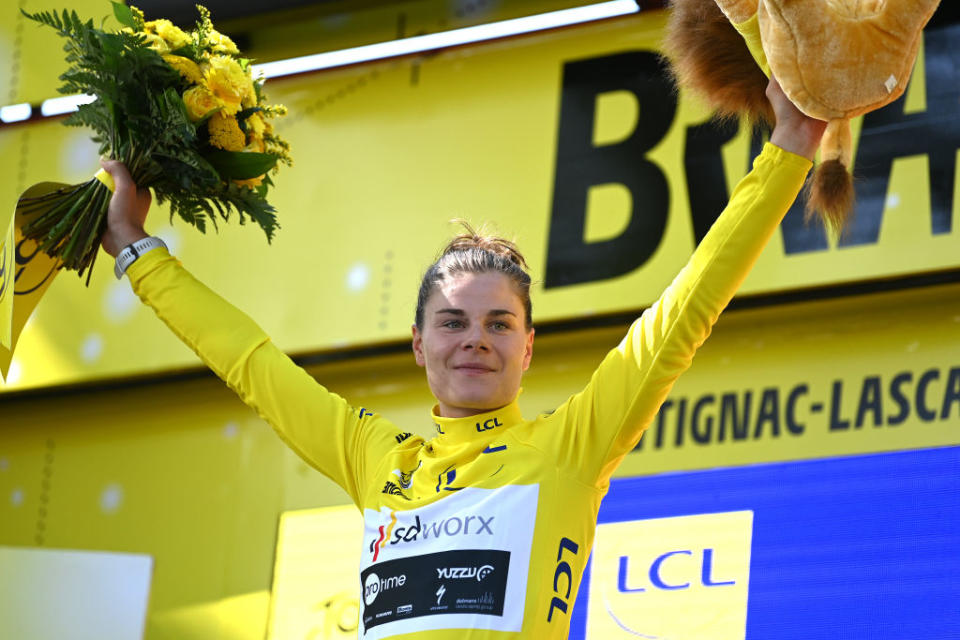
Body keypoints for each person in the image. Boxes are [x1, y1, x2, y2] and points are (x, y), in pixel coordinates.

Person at [99, 77, 825, 639]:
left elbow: (686, 309)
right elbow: (251, 362)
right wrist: (135, 248)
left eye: (499, 323)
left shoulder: (570, 448)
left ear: (528, 345)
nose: (475, 338)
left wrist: (789, 151)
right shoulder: (371, 455)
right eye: (452, 322)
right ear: (419, 344)